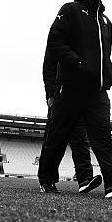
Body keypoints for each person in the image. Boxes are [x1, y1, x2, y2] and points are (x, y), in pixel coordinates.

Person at [37, 0, 112, 198]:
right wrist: (76, 63)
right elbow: (54, 41)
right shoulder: (70, 9)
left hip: (97, 90)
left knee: (102, 136)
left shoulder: (106, 22)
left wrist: (109, 73)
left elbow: (105, 55)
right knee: (58, 135)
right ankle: (47, 179)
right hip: (71, 86)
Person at [42, 33, 100, 193]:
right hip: (60, 94)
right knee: (55, 138)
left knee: (80, 138)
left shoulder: (84, 42)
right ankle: (46, 179)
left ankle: (85, 179)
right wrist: (50, 94)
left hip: (80, 95)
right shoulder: (58, 40)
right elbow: (48, 67)